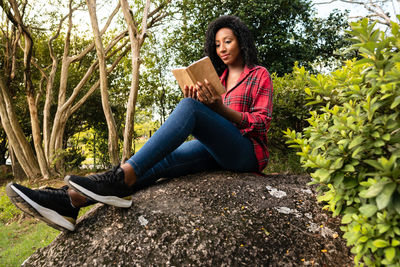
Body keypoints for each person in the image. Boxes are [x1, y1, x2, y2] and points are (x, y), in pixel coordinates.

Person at [6, 15, 273, 231]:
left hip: (246, 153)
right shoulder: (218, 78)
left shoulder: (258, 75)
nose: (222, 48)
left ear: (242, 42)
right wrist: (204, 103)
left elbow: (261, 124)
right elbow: (212, 121)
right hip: (215, 152)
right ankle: (70, 201)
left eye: (228, 41)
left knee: (189, 108)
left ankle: (121, 178)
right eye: (217, 44)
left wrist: (217, 109)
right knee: (163, 160)